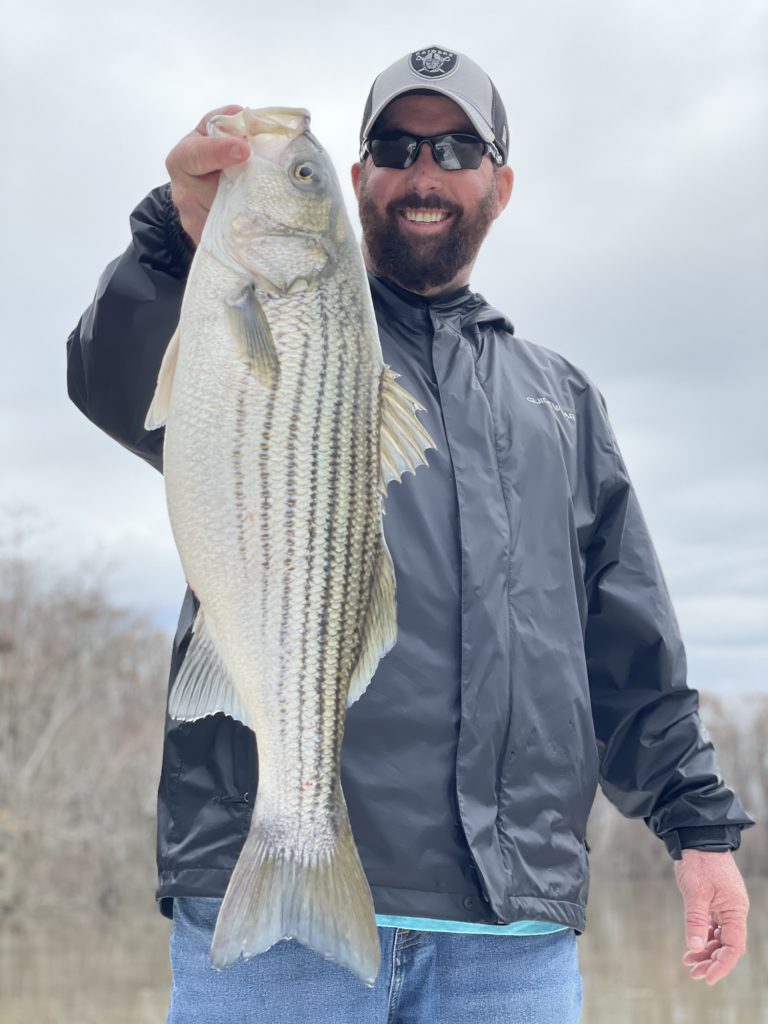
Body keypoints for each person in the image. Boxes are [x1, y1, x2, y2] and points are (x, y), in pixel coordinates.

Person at [67, 45, 755, 1024]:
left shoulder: (565, 402)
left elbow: (630, 648)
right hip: (268, 924)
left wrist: (701, 830)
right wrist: (174, 240)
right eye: (395, 145)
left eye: (455, 147)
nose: (424, 172)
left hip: (508, 940)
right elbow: (115, 371)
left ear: (500, 183)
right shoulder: (244, 314)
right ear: (356, 182)